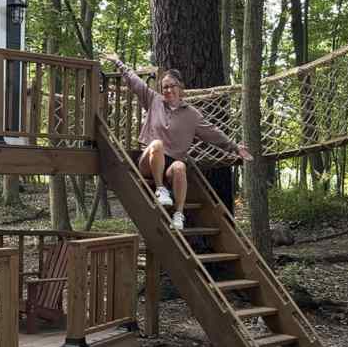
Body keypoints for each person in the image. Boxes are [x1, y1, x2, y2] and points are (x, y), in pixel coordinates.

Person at [103, 56, 253, 231]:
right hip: (148, 162)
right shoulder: (154, 101)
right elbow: (135, 82)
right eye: (164, 87)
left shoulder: (192, 115)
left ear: (180, 88)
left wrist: (235, 148)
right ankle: (160, 189)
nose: (167, 90)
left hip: (170, 165)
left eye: (171, 86)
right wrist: (118, 62)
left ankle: (178, 215)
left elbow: (213, 133)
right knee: (157, 144)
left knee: (181, 166)